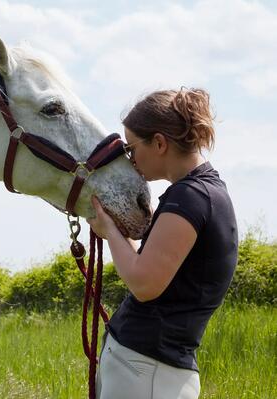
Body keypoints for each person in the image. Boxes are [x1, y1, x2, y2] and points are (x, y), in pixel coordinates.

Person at [87, 88, 238, 399]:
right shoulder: (203, 193)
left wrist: (110, 232)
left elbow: (143, 284)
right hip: (150, 370)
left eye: (132, 149)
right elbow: (149, 269)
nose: (131, 160)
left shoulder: (189, 198)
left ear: (159, 143)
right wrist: (115, 228)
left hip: (145, 372)